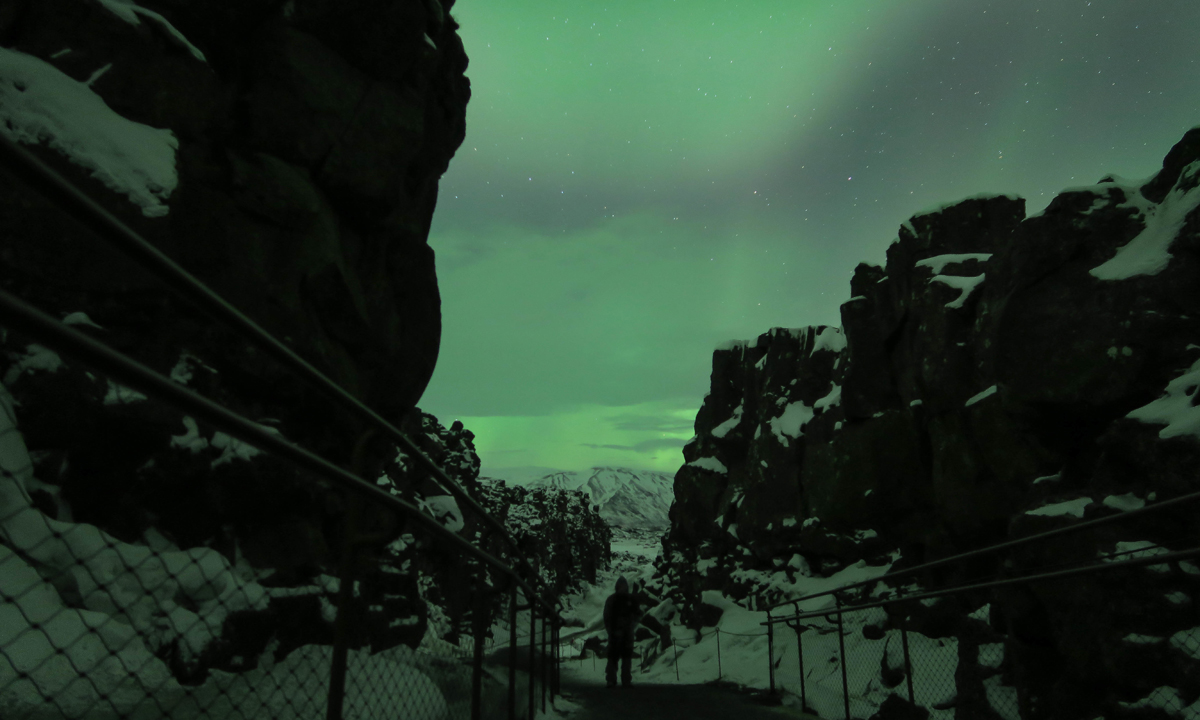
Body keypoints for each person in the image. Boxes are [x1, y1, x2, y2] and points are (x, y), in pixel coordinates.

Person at [603, 576, 639, 688]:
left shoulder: (629, 600)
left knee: (626, 658)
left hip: (626, 633)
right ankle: (612, 679)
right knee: (613, 657)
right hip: (615, 633)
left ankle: (625, 679)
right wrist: (610, 630)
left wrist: (631, 627)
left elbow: (637, 614)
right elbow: (607, 616)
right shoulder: (612, 600)